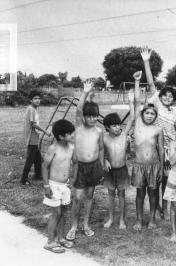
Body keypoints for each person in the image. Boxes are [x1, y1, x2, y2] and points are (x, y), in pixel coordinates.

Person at [141, 47, 176, 219]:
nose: (167, 98)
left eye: (170, 97)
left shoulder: (175, 113)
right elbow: (151, 84)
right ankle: (155, 207)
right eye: (165, 96)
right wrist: (146, 62)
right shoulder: (156, 104)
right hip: (155, 148)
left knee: (166, 180)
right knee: (154, 180)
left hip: (169, 150)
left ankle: (164, 207)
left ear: (173, 99)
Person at [66, 81, 105, 241]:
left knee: (89, 196)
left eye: (95, 116)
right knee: (78, 197)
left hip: (94, 166)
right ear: (84, 117)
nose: (92, 118)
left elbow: (101, 148)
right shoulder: (78, 128)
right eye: (89, 116)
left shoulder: (99, 131)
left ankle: (86, 224)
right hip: (79, 168)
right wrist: (85, 92)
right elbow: (78, 109)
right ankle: (74, 226)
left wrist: (101, 165)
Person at [102, 71, 139, 229]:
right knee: (111, 196)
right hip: (109, 171)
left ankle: (122, 220)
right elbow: (100, 152)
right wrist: (104, 160)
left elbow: (132, 117)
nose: (118, 127)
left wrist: (131, 101)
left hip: (122, 169)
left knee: (122, 195)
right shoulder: (103, 138)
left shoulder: (124, 135)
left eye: (119, 125)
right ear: (107, 128)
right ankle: (110, 218)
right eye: (115, 125)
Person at [131, 69, 164, 230]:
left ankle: (151, 219)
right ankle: (138, 220)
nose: (150, 115)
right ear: (142, 114)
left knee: (153, 193)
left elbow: (161, 150)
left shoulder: (158, 129)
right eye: (148, 113)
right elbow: (137, 101)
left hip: (154, 165)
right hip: (139, 165)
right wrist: (137, 81)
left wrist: (162, 167)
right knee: (139, 194)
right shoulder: (138, 123)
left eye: (153, 114)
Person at [42, 119, 75, 253]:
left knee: (64, 213)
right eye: (70, 134)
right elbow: (44, 166)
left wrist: (73, 180)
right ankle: (50, 241)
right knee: (56, 213)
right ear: (61, 136)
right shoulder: (53, 148)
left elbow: (76, 163)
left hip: (65, 185)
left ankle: (60, 238)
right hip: (53, 185)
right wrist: (46, 186)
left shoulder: (72, 148)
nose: (72, 135)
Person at [21, 90, 51, 185]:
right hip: (31, 137)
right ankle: (23, 179)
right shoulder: (31, 109)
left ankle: (38, 174)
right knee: (30, 159)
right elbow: (33, 125)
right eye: (35, 98)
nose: (38, 100)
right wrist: (45, 131)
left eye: (39, 98)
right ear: (31, 100)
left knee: (37, 158)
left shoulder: (34, 109)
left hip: (35, 136)